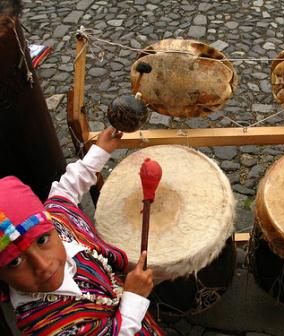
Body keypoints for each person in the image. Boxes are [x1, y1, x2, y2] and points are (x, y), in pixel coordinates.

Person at [0, 127, 164, 335]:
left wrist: (99, 152)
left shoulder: (57, 224)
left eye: (42, 241)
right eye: (14, 262)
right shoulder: (46, 328)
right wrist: (133, 299)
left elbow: (65, 191)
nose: (42, 265)